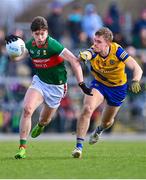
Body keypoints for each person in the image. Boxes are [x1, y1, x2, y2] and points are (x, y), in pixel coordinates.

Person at [5, 16, 92, 159]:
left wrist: (81, 84)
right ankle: (22, 148)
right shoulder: (30, 45)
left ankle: (40, 125)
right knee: (27, 109)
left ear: (47, 32)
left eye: (42, 33)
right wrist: (13, 48)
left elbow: (74, 61)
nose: (39, 37)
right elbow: (17, 57)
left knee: (44, 120)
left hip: (57, 87)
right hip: (40, 82)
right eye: (36, 34)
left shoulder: (53, 45)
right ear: (32, 34)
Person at [72, 27, 143, 158]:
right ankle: (78, 147)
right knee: (87, 108)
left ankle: (98, 130)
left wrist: (135, 80)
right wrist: (82, 57)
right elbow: (87, 54)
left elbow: (136, 67)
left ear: (107, 44)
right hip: (100, 85)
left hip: (118, 88)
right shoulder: (93, 51)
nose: (95, 44)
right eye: (94, 40)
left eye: (98, 42)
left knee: (107, 122)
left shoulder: (117, 51)